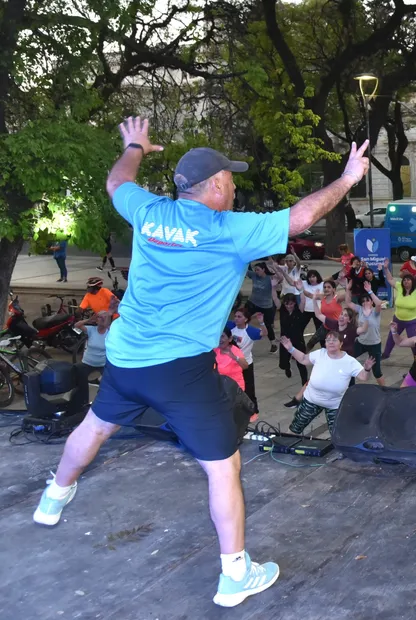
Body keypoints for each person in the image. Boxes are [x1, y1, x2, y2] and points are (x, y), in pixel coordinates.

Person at [33, 115, 370, 606]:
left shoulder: (149, 211)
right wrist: (346, 179)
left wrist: (134, 146)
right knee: (222, 468)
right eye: (230, 181)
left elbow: (116, 181)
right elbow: (298, 220)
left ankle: (54, 497)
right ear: (213, 186)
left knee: (97, 424)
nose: (234, 189)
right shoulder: (228, 229)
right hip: (181, 371)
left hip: (126, 357)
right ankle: (235, 574)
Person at [283, 331, 373, 435]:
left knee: (337, 434)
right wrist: (290, 348)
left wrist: (367, 369)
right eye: (328, 340)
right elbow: (303, 359)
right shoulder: (320, 353)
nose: (331, 342)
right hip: (312, 400)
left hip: (334, 405)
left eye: (334, 340)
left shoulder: (349, 361)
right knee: (294, 428)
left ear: (341, 344)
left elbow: (363, 377)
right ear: (325, 343)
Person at [226, 309, 264, 413]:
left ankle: (253, 410)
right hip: (231, 364)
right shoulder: (231, 326)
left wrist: (261, 322)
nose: (236, 319)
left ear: (246, 319)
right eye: (235, 316)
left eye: (239, 317)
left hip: (245, 363)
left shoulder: (250, 331)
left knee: (249, 389)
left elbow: (263, 333)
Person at [382, 268, 416, 359]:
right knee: (391, 338)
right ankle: (385, 354)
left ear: (412, 281)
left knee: (414, 341)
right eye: (404, 280)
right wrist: (386, 268)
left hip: (412, 321)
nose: (406, 282)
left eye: (408, 280)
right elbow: (390, 279)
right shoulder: (400, 288)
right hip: (397, 319)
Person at [277, 293, 310, 385]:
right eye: (286, 304)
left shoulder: (298, 311)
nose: (288, 306)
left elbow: (303, 301)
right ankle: (287, 367)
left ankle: (304, 383)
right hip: (285, 340)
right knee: (283, 362)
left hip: (297, 339)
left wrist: (301, 291)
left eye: (291, 304)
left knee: (301, 363)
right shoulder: (282, 310)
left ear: (294, 303)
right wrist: (273, 287)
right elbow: (275, 298)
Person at [246, 262, 278, 353]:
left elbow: (280, 278)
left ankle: (273, 344)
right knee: (243, 317)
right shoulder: (253, 275)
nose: (256, 272)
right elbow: (244, 271)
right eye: (255, 270)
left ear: (264, 270)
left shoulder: (269, 278)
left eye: (258, 270)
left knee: (268, 325)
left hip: (266, 305)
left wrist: (274, 268)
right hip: (253, 302)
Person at [74, 310, 112, 384]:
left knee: (108, 381)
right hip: (87, 362)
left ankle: (98, 381)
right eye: (100, 317)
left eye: (105, 318)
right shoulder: (91, 329)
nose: (103, 319)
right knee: (80, 382)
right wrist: (89, 320)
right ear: (96, 320)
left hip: (103, 364)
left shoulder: (110, 331)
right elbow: (76, 326)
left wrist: (107, 322)